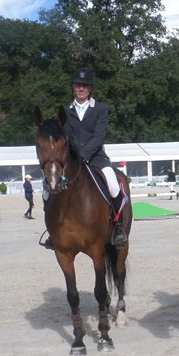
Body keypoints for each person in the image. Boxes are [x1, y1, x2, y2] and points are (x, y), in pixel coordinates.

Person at [43, 68, 128, 250]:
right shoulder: (65, 111)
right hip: (72, 162)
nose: (81, 88)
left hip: (97, 159)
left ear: (90, 88)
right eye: (78, 85)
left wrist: (84, 155)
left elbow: (99, 136)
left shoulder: (101, 109)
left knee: (114, 186)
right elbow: (64, 137)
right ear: (73, 87)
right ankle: (52, 232)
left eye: (85, 85)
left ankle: (118, 228)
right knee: (47, 189)